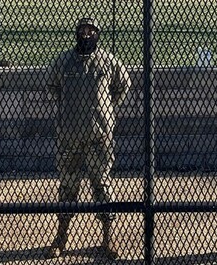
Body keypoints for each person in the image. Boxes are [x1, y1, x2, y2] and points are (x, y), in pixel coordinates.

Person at [45, 17, 131, 260]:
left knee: (102, 185)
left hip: (99, 137)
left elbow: (123, 85)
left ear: (97, 34)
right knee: (67, 186)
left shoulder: (108, 60)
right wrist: (66, 109)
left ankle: (108, 238)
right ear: (77, 33)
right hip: (69, 136)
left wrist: (107, 109)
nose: (86, 34)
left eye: (91, 30)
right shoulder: (64, 61)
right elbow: (51, 87)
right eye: (82, 30)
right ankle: (61, 237)